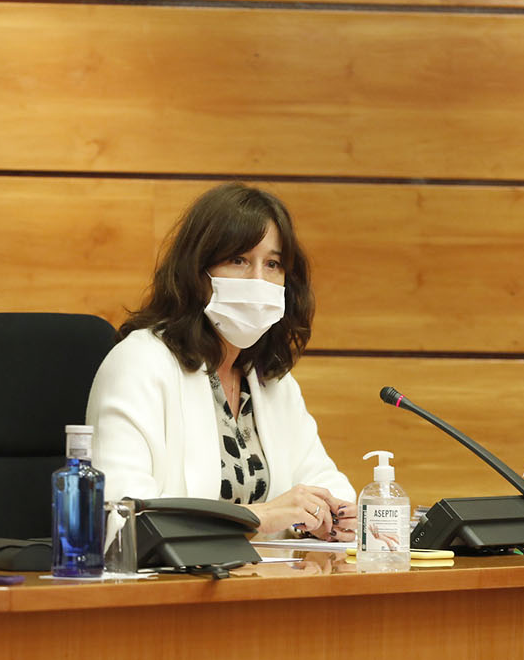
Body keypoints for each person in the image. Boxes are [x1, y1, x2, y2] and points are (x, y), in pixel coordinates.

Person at [86, 182, 356, 541]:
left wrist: (337, 517)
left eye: (273, 264)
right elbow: (121, 518)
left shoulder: (268, 380)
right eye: (239, 260)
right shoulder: (140, 363)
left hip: (263, 582)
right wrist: (257, 517)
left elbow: (323, 481)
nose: (259, 280)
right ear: (197, 273)